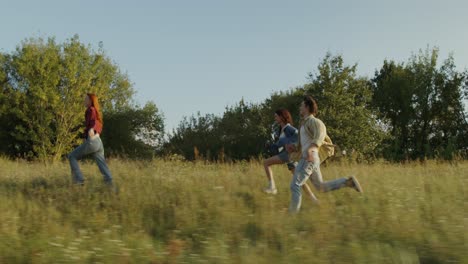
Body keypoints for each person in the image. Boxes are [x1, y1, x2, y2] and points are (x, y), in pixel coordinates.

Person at [286, 96, 362, 213]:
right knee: (321, 187)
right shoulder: (304, 124)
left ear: (306, 107)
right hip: (310, 157)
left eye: (301, 106)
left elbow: (319, 137)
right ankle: (347, 182)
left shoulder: (315, 122)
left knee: (295, 185)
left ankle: (291, 216)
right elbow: (304, 143)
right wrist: (294, 147)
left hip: (309, 157)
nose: (299, 108)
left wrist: (311, 151)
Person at [263, 109, 319, 203]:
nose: (275, 118)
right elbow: (280, 145)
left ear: (282, 117)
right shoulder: (281, 130)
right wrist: (270, 145)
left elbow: (299, 136)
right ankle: (314, 200)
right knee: (299, 181)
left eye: (276, 116)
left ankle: (272, 187)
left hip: (289, 155)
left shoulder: (288, 128)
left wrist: (293, 146)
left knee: (266, 163)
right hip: (290, 157)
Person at [68, 93, 114, 187]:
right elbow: (98, 123)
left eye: (85, 99)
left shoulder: (91, 109)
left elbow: (94, 122)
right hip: (98, 142)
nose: (84, 100)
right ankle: (110, 185)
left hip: (92, 141)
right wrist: (89, 133)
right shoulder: (95, 110)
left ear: (90, 101)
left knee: (71, 156)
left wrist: (92, 129)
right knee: (102, 164)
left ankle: (79, 180)